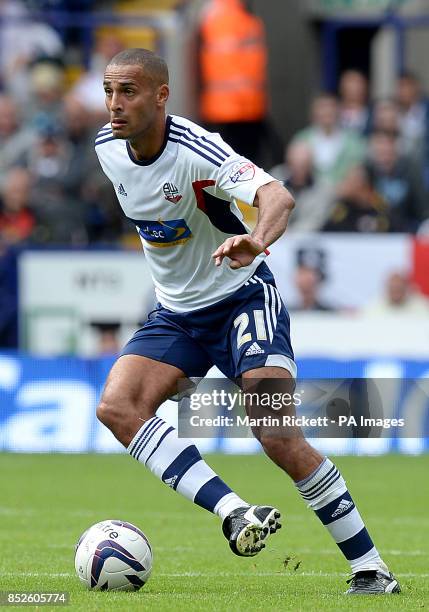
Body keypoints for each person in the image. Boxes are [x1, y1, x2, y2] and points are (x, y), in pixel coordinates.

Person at [93, 48, 400, 595]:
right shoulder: (105, 149)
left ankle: (372, 569)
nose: (115, 105)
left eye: (129, 91)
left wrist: (255, 239)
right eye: (109, 91)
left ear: (162, 95)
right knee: (118, 407)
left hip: (242, 300)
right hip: (176, 314)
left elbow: (276, 195)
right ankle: (235, 512)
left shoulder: (196, 149)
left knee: (276, 431)